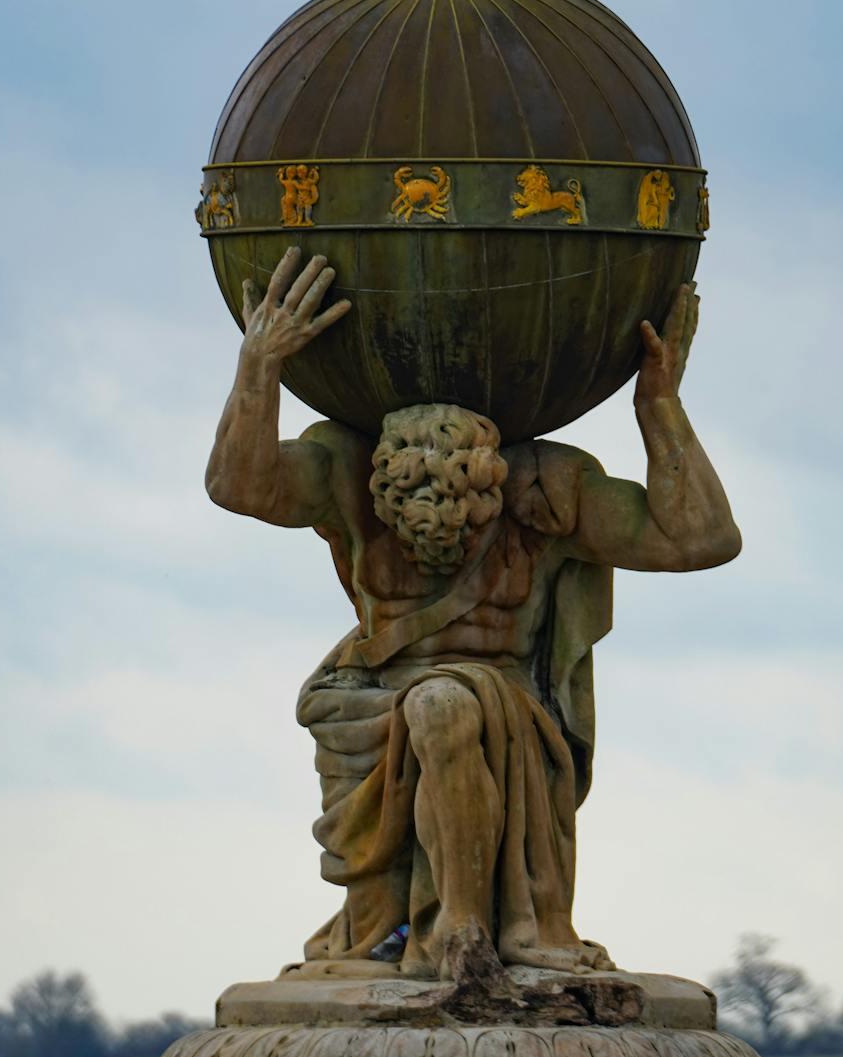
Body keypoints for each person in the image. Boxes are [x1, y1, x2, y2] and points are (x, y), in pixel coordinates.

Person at [206, 247, 741, 978]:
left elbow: (701, 539)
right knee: (430, 703)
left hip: (504, 710)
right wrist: (258, 366)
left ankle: (462, 927)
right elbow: (239, 486)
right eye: (416, 526)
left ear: (492, 494)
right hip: (370, 704)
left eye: (463, 526)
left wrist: (660, 408)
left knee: (443, 706)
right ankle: (403, 926)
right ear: (382, 492)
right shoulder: (344, 473)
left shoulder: (542, 489)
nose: (439, 547)